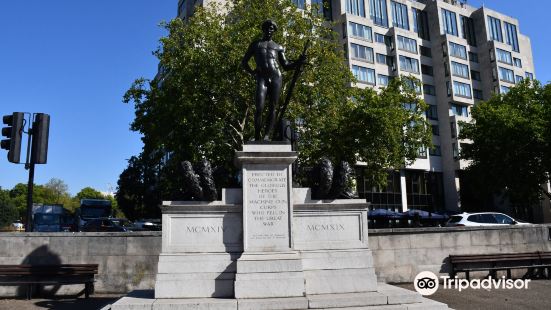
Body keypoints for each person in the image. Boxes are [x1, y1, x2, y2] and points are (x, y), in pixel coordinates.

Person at [241, 20, 305, 141]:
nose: (269, 30)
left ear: (274, 31)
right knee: (259, 107)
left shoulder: (278, 47)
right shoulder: (255, 44)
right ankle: (256, 136)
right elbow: (244, 62)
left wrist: (298, 62)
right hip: (262, 78)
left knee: (272, 107)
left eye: (272, 29)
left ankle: (266, 136)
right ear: (263, 29)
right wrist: (253, 72)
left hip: (276, 76)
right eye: (267, 28)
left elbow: (285, 65)